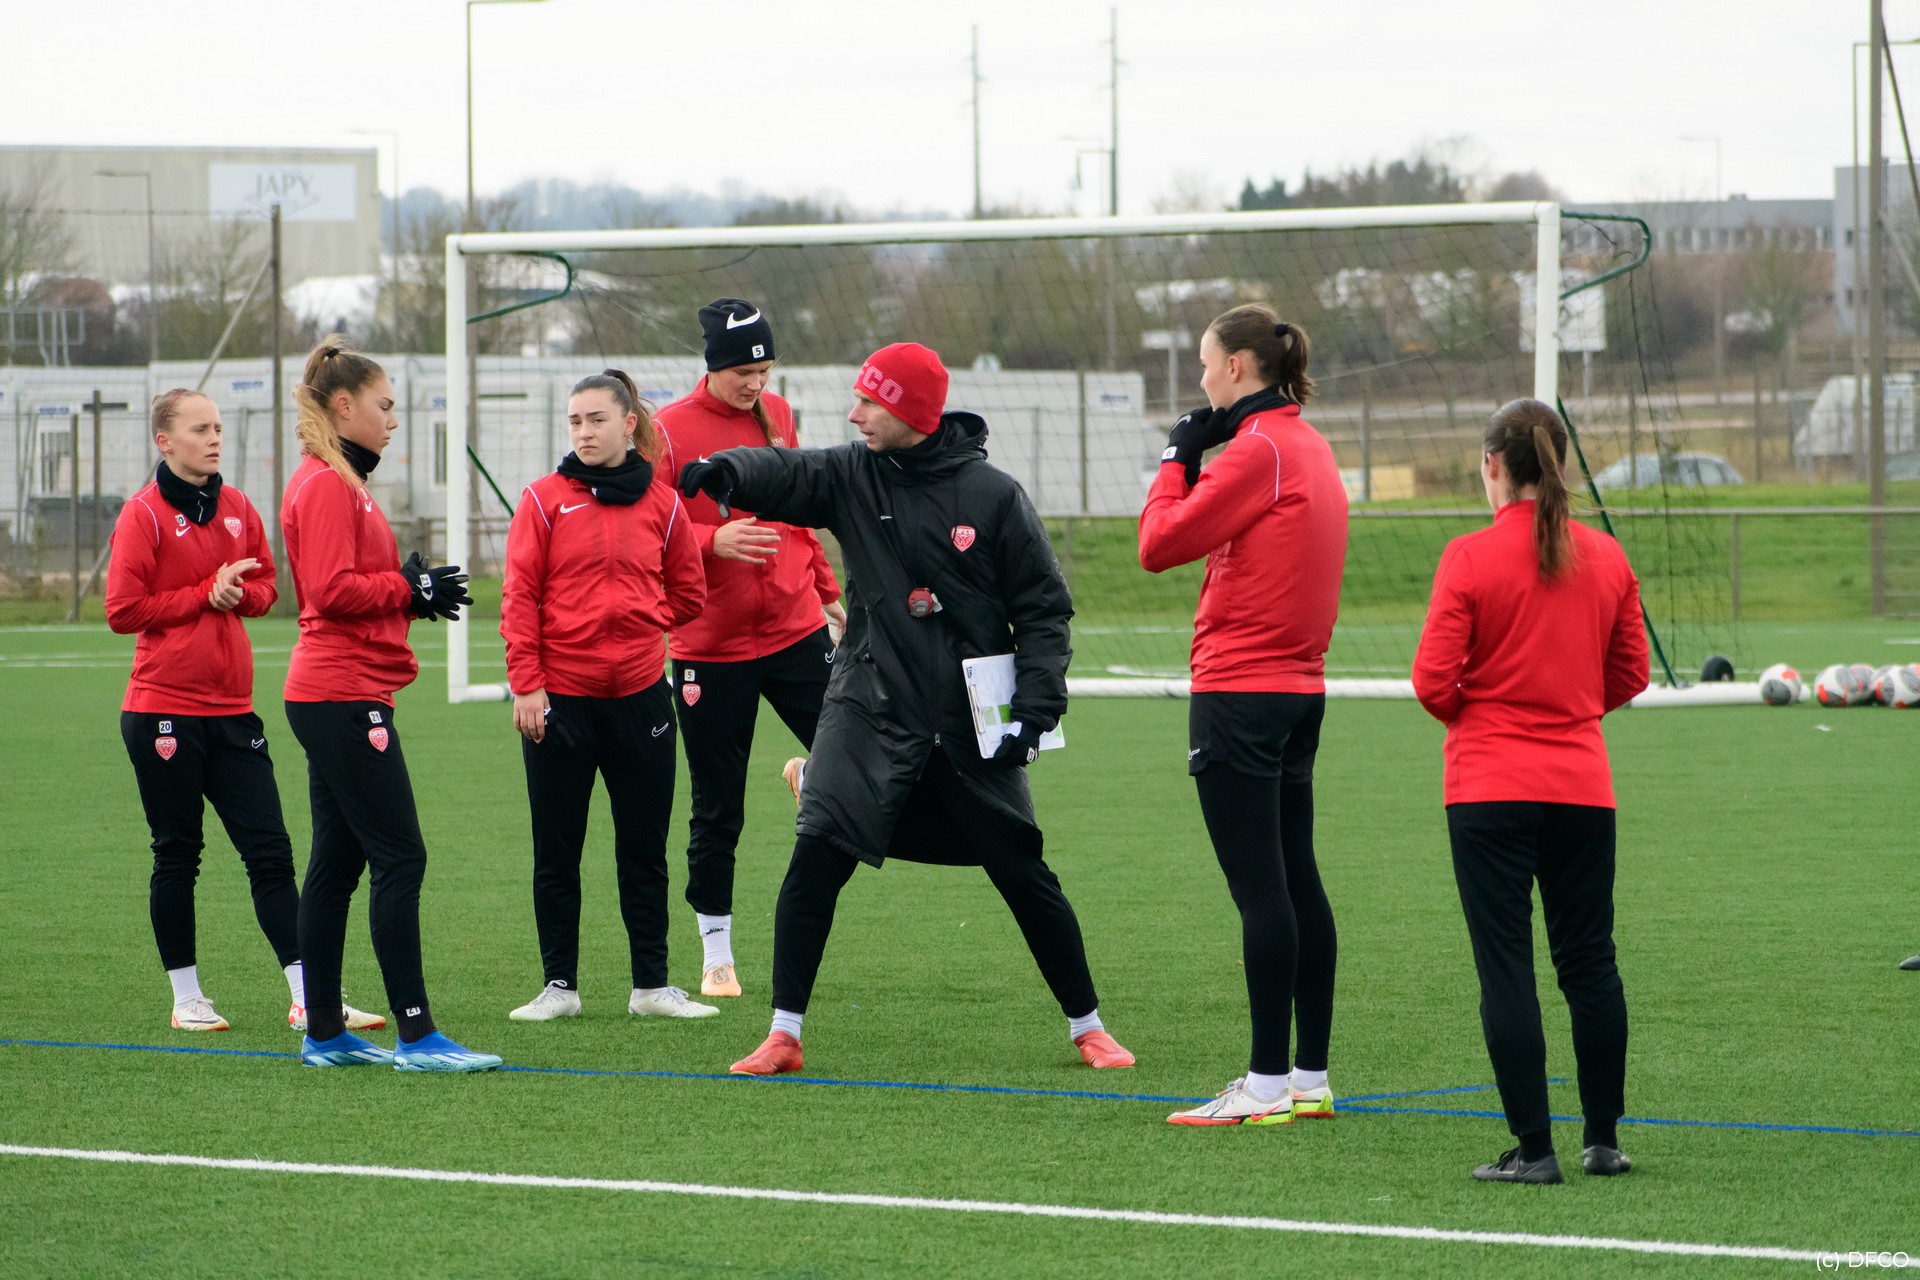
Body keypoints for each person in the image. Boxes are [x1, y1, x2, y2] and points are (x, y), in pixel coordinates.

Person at [678, 342, 1134, 1077]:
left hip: (966, 719)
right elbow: (790, 472)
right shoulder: (852, 473)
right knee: (817, 856)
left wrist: (1035, 709)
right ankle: (783, 1035)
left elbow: (1044, 613)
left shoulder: (995, 496)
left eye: (870, 401)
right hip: (868, 705)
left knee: (1019, 868)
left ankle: (1090, 1028)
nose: (854, 414)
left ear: (912, 411)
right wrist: (729, 470)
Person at [1412, 398, 1649, 1183]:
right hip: (1582, 786)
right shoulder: (1607, 557)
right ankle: (1603, 1140)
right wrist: (1570, 708)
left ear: (1492, 466)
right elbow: (1630, 672)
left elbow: (1432, 682)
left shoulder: (1469, 557)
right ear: (1562, 463)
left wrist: (1481, 712)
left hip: (1488, 787)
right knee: (1590, 963)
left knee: (1507, 968)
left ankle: (1534, 1149)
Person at [107, 389, 382, 1036]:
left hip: (233, 711)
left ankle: (308, 998)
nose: (214, 439)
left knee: (271, 853)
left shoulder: (236, 506)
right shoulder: (143, 514)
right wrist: (205, 593)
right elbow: (122, 610)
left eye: (218, 428)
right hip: (162, 711)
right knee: (178, 854)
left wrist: (238, 593)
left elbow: (267, 589)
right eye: (199, 429)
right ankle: (188, 999)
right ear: (164, 441)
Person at [1137, 307, 1347, 1127]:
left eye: (1204, 364)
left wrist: (1176, 459)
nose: (1199, 380)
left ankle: (1263, 1087)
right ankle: (1308, 1078)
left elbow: (1158, 544)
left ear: (1236, 368)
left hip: (1241, 692)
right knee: (1297, 879)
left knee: (1263, 891)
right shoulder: (1308, 443)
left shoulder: (1258, 450)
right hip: (1298, 692)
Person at [280, 334, 499, 1072]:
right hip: (341, 693)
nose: (394, 420)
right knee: (401, 856)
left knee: (336, 866)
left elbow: (353, 585)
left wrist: (409, 592)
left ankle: (324, 1033)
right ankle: (417, 1035)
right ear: (344, 407)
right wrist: (407, 587)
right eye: (385, 405)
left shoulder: (341, 480)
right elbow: (329, 590)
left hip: (342, 689)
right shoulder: (326, 484)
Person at [500, 370, 710, 1022]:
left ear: (628, 424)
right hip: (560, 703)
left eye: (596, 419)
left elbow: (689, 593)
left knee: (644, 850)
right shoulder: (542, 500)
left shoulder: (665, 505)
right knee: (557, 850)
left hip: (642, 699)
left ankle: (652, 987)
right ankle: (559, 988)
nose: (584, 432)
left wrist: (641, 621)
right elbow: (519, 597)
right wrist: (527, 684)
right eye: (575, 421)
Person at [655, 299, 844, 998]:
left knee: (858, 752)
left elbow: (799, 513)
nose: (755, 383)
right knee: (717, 807)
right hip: (710, 646)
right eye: (743, 370)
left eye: (764, 369)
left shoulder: (780, 414)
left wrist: (825, 591)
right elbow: (647, 527)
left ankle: (808, 773)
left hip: (796, 628)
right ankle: (717, 955)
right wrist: (712, 541)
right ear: (713, 365)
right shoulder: (666, 429)